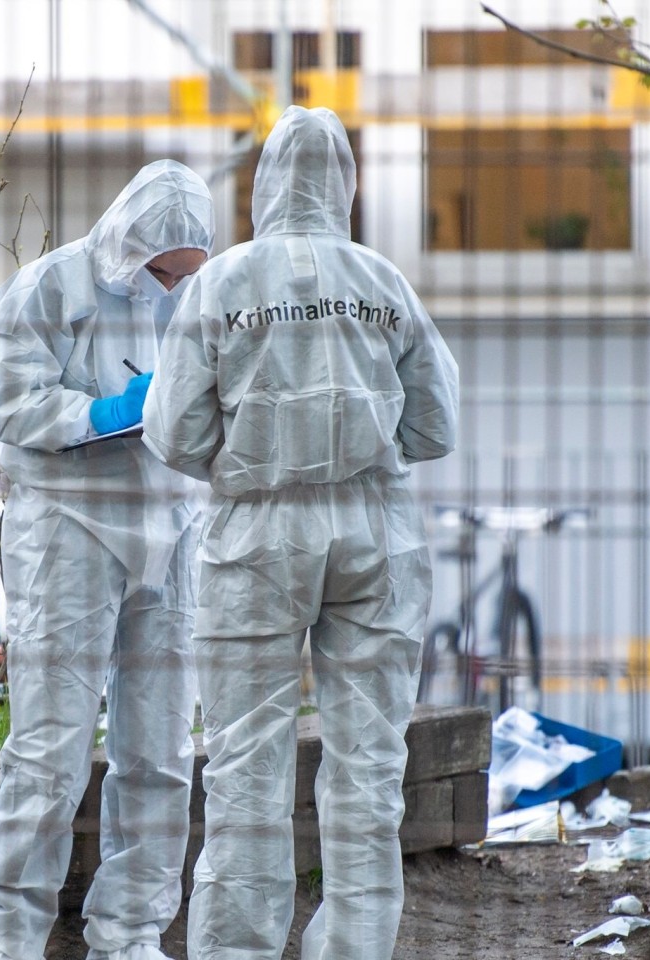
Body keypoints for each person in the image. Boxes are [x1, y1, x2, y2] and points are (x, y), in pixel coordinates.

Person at [143, 107, 459, 960]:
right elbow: (437, 426)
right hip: (375, 530)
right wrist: (362, 452)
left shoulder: (222, 285)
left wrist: (249, 460)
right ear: (347, 186)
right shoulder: (384, 283)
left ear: (263, 185)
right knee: (368, 768)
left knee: (246, 762)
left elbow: (172, 432)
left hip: (256, 531)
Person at [0, 160, 214, 960]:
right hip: (69, 526)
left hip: (171, 526)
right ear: (129, 242)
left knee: (162, 750)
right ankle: (8, 939)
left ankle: (132, 931)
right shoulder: (49, 289)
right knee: (49, 751)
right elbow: (14, 405)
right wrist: (105, 414)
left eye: (187, 272)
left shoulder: (196, 301)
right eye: (161, 269)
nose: (171, 284)